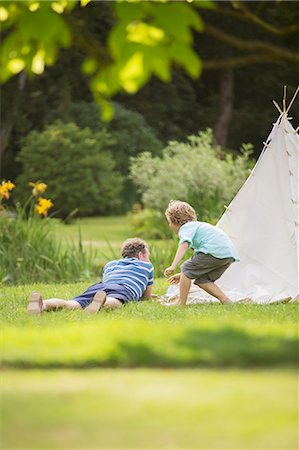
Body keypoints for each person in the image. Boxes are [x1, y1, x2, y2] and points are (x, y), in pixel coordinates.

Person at [27, 238, 154, 315]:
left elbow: (109, 281)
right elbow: (146, 297)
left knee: (73, 304)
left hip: (99, 287)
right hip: (123, 289)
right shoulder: (147, 267)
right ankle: (102, 304)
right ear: (141, 255)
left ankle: (43, 305)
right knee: (117, 301)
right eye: (147, 256)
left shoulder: (110, 264)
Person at [163, 200, 239, 306]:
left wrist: (173, 266)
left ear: (174, 221)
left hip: (214, 251)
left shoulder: (186, 228)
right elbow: (199, 264)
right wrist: (183, 275)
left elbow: (184, 244)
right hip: (228, 255)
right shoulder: (198, 227)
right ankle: (227, 302)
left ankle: (181, 303)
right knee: (202, 280)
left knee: (186, 267)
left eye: (169, 222)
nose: (170, 226)